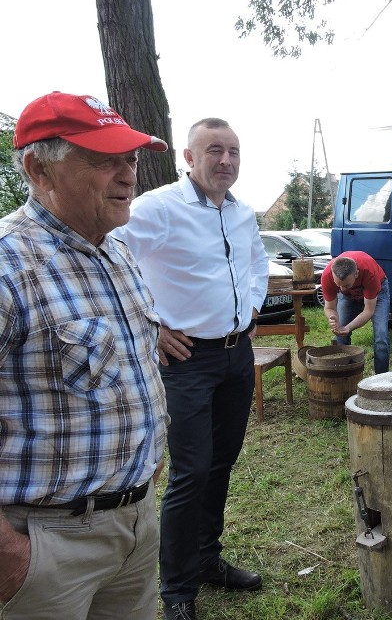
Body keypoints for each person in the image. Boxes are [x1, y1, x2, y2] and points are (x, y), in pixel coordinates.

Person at [0, 92, 169, 619]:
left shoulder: (116, 250)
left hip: (135, 527)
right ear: (39, 169)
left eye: (131, 158)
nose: (128, 176)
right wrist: (9, 554)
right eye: (103, 160)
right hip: (46, 545)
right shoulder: (8, 265)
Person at [112, 118, 268, 620]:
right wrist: (150, 325)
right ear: (188, 157)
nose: (226, 161)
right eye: (214, 150)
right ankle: (176, 587)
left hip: (235, 354)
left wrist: (252, 307)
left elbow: (256, 264)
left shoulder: (242, 214)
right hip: (186, 362)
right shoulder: (158, 208)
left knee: (221, 463)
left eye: (234, 152)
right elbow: (110, 254)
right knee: (190, 471)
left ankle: (206, 559)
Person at [321, 251, 390, 374]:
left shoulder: (370, 273)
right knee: (340, 334)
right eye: (338, 285)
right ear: (332, 273)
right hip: (349, 297)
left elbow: (368, 311)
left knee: (381, 336)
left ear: (356, 274)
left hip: (378, 292)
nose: (342, 289)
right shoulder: (327, 276)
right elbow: (329, 307)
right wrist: (333, 318)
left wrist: (348, 327)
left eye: (346, 285)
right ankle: (344, 376)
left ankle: (381, 378)